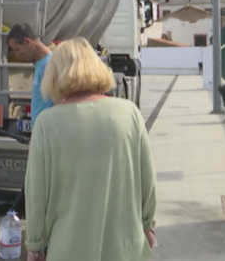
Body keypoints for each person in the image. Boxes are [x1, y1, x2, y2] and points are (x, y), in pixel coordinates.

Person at [24, 37, 157, 261]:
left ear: (55, 74)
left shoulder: (46, 124)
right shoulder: (130, 113)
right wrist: (147, 223)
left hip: (67, 251)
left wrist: (35, 245)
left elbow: (37, 196)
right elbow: (148, 181)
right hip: (126, 249)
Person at [7, 23, 54, 124]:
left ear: (27, 42)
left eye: (17, 49)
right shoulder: (42, 64)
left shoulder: (50, 65)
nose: (16, 55)